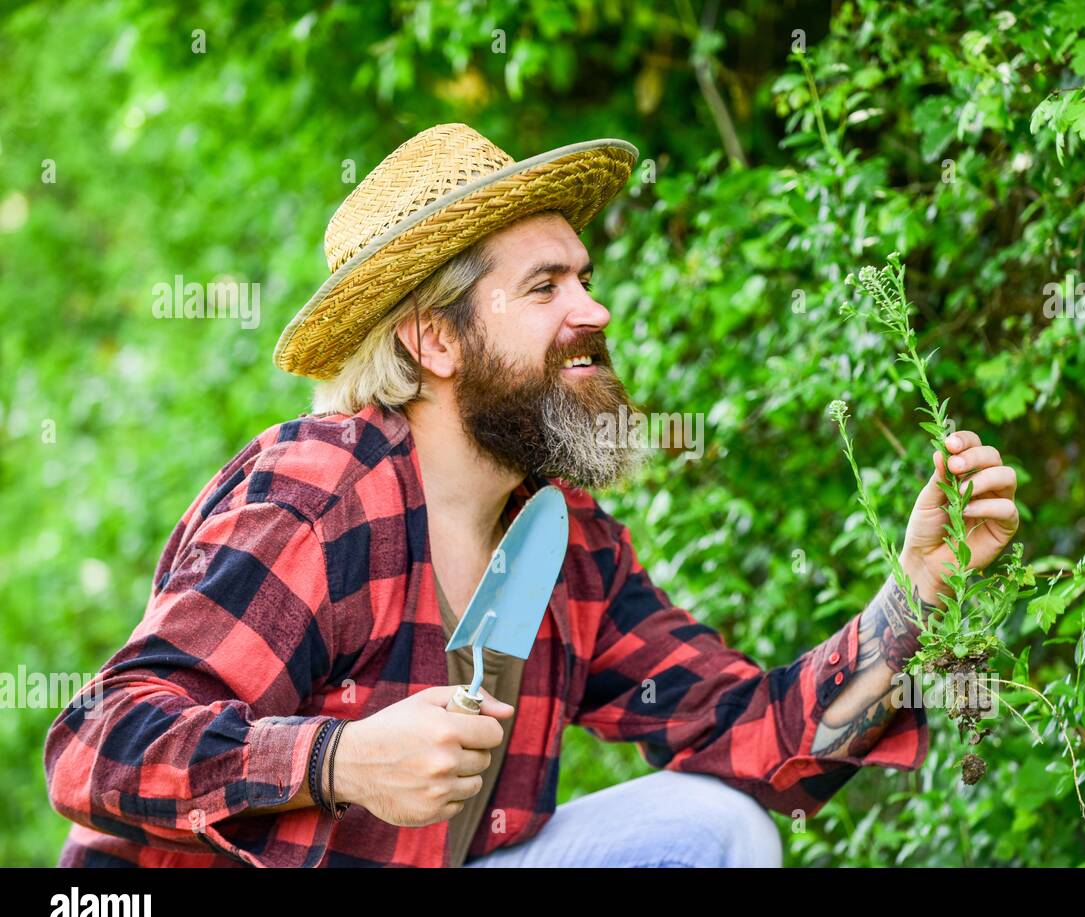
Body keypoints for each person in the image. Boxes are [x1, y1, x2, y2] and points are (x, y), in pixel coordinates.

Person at [44, 123, 1020, 867]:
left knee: (715, 829)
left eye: (584, 280)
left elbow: (751, 743)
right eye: (545, 287)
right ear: (434, 339)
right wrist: (340, 761)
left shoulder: (564, 540)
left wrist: (916, 594)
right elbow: (97, 743)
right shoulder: (320, 495)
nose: (593, 312)